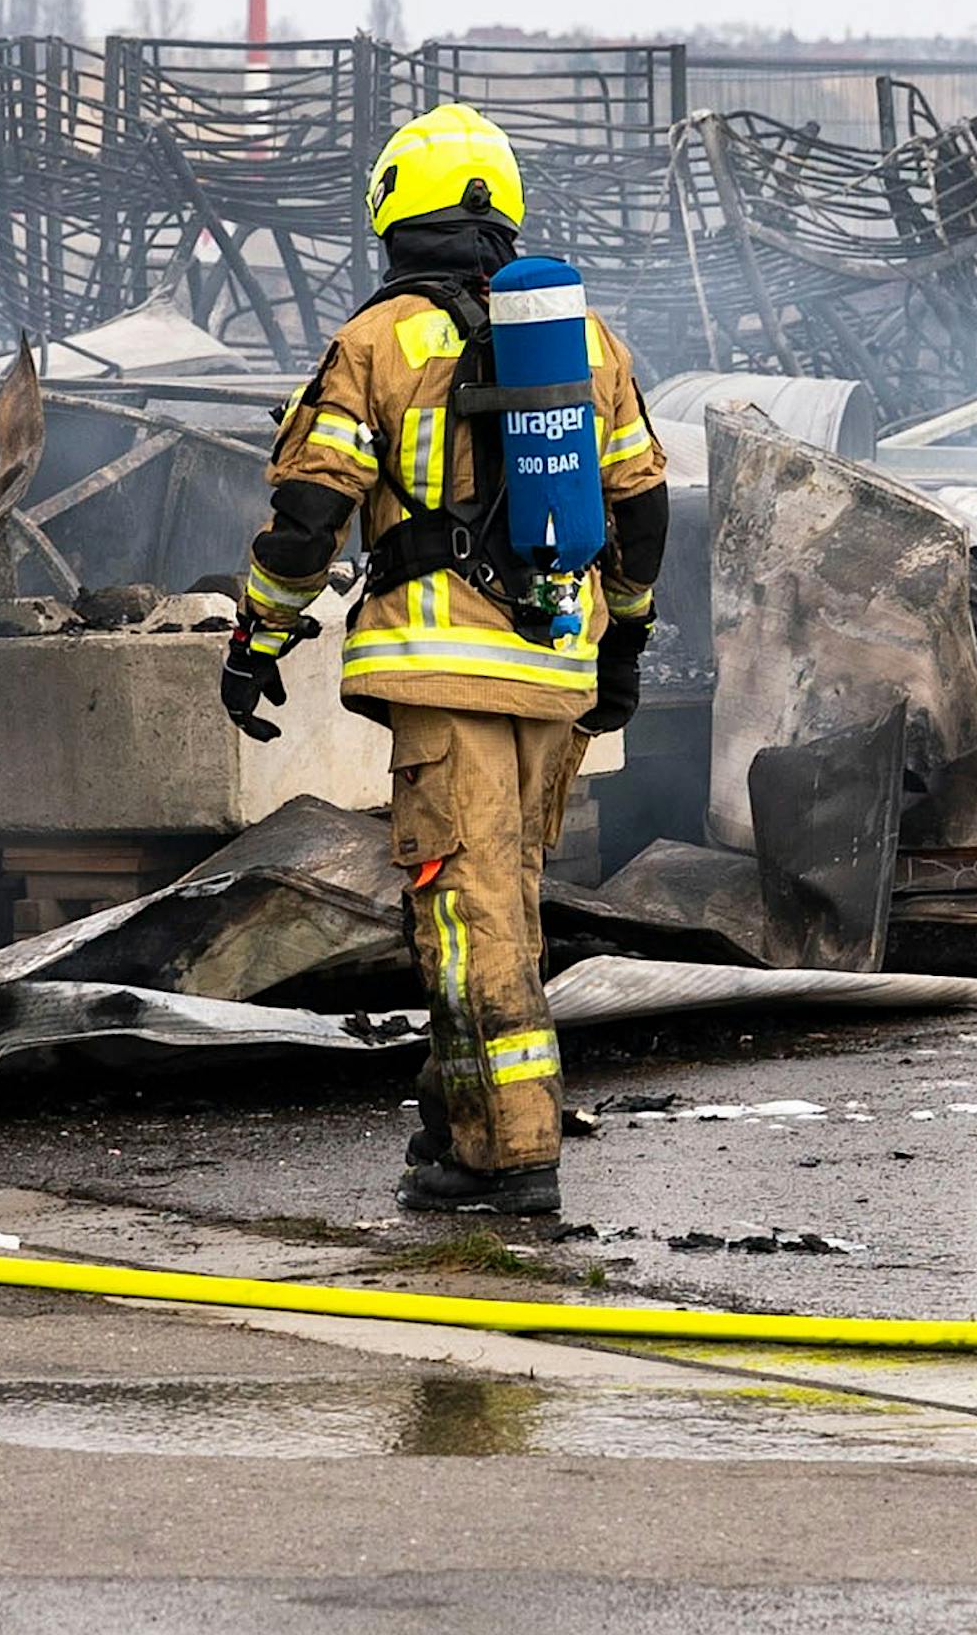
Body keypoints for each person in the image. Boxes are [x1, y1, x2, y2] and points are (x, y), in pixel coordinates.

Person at [221, 103, 668, 1215]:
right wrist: (622, 650)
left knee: (462, 917)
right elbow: (644, 507)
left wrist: (258, 636)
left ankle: (511, 1154)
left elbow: (307, 509)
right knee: (499, 901)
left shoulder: (375, 343)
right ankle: (455, 1125)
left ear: (391, 214)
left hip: (443, 670)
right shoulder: (585, 343)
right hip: (555, 672)